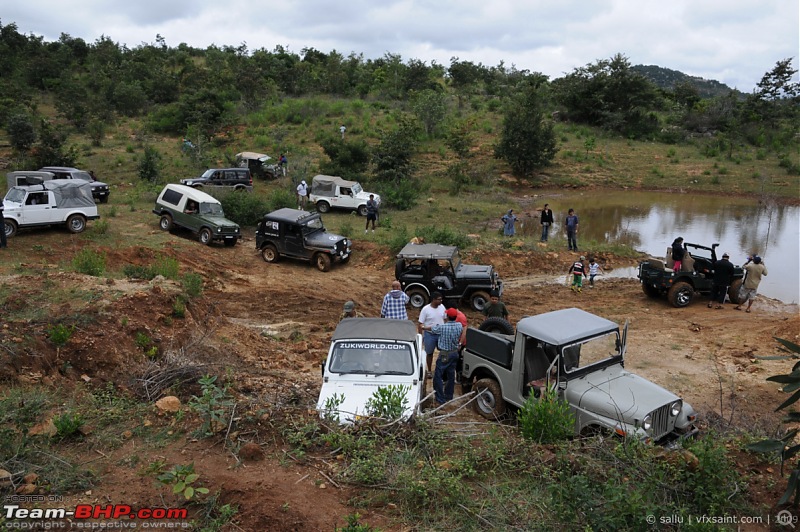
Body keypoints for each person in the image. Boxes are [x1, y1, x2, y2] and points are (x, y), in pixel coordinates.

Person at [423, 308, 463, 406]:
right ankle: (449, 396)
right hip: (454, 353)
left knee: (438, 375)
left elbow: (432, 329)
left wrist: (423, 327)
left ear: (447, 317)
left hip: (445, 354)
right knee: (450, 375)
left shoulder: (443, 327)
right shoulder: (459, 326)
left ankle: (440, 398)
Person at [418, 292, 445, 373]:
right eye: (439, 299)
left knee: (443, 352)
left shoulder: (442, 307)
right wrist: (420, 337)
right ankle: (429, 370)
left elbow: (446, 319)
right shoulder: (425, 309)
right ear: (433, 300)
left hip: (441, 334)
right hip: (430, 335)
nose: (441, 301)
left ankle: (441, 370)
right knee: (429, 353)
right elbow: (420, 323)